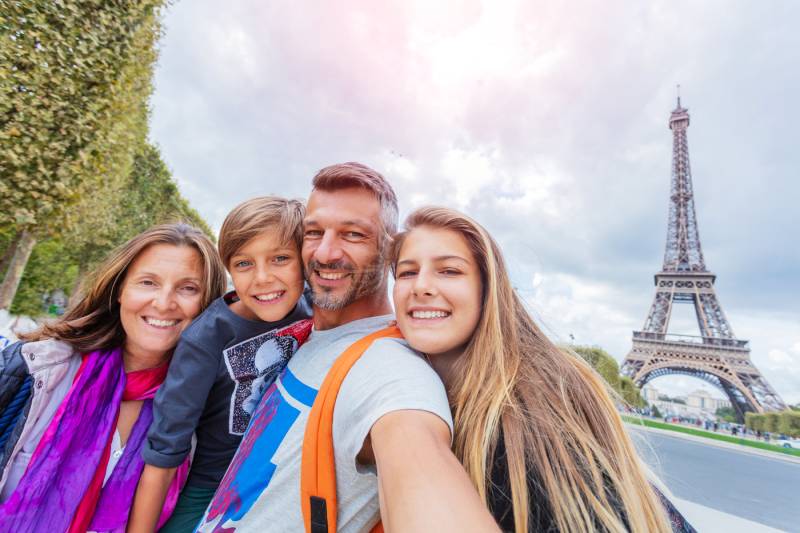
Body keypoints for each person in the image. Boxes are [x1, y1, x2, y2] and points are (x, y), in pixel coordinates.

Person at [197, 163, 498, 532]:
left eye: (353, 235)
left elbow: (415, 452)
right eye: (314, 232)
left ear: (390, 249)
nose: (325, 252)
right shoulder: (304, 332)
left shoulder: (390, 369)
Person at [391, 206, 679, 533]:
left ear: (489, 290)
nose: (421, 286)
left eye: (449, 271)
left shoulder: (525, 421)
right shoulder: (454, 389)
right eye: (407, 272)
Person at [0, 223, 226, 532]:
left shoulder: (204, 414)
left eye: (188, 288)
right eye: (148, 282)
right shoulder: (37, 369)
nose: (163, 302)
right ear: (120, 289)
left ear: (208, 304)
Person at [128, 197, 313, 533]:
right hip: (209, 490)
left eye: (281, 258)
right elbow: (165, 450)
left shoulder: (315, 310)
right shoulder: (206, 340)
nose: (262, 278)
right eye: (243, 264)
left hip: (280, 486)